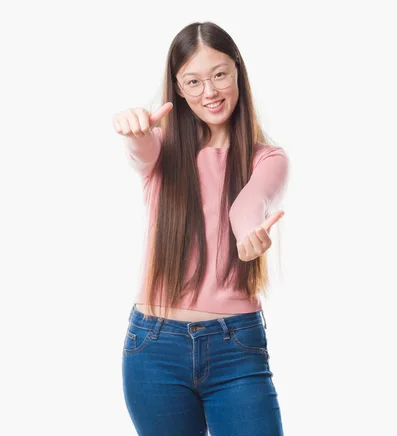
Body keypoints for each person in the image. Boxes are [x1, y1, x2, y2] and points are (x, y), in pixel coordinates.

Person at [111, 21, 289, 435]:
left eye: (220, 75)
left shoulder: (268, 158)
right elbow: (141, 152)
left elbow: (249, 204)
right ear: (178, 89)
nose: (209, 92)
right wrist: (134, 129)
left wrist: (248, 239)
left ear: (238, 73)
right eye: (193, 81)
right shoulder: (162, 150)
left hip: (236, 348)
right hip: (153, 349)